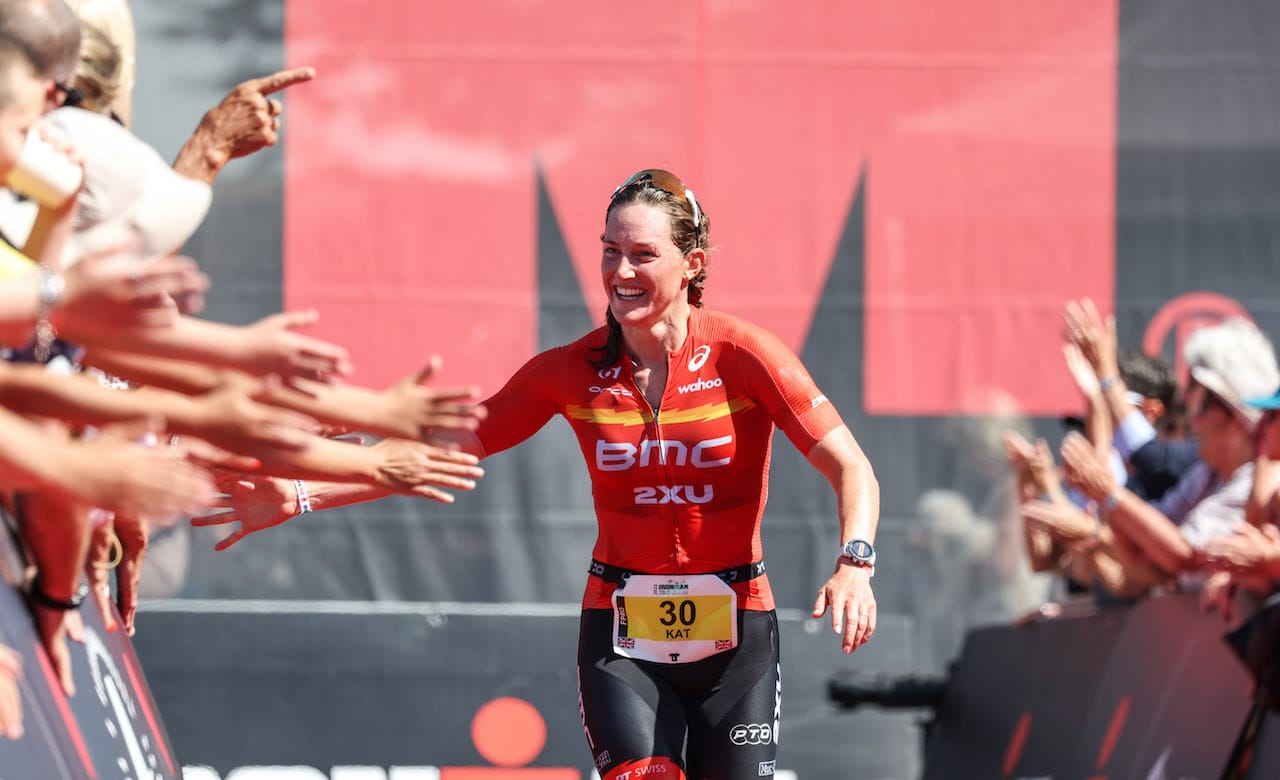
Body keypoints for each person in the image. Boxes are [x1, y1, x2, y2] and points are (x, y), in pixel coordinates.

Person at [432, 169, 879, 779]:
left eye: (643, 255)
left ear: (691, 263)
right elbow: (435, 449)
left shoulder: (745, 355)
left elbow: (852, 467)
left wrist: (855, 564)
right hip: (620, 631)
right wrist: (306, 484)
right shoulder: (569, 370)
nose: (621, 273)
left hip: (737, 627)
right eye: (610, 251)